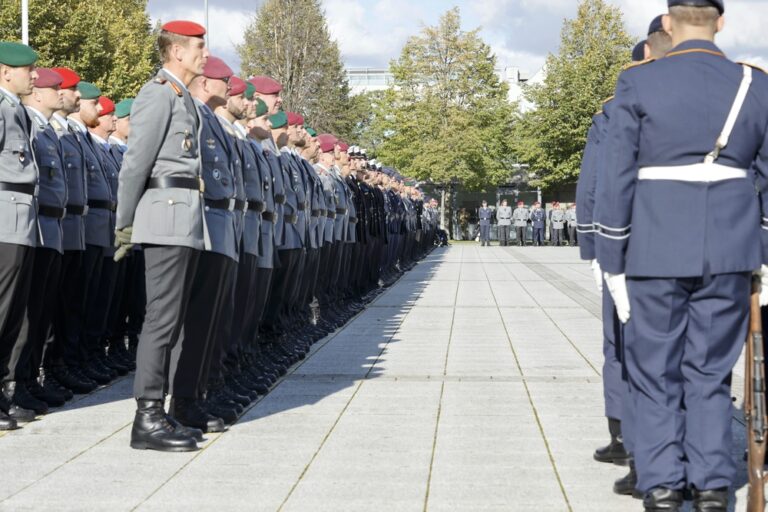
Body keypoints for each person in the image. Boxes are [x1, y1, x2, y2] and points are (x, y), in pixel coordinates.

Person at [594, 1, 768, 510]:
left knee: (655, 373)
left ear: (668, 24)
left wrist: (611, 256)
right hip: (730, 250)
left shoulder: (639, 82)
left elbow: (617, 176)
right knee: (710, 373)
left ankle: (663, 484)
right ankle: (712, 485)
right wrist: (760, 248)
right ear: (720, 22)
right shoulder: (753, 85)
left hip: (655, 247)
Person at [115, 20, 210, 452]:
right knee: (160, 319)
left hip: (184, 217)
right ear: (176, 52)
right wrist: (124, 223)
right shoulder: (157, 93)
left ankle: (163, 411)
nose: (204, 55)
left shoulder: (182, 96)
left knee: (175, 320)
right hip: (165, 215)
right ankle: (147, 416)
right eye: (198, 48)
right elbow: (136, 163)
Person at [0, 42, 39, 430]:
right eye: (28, 69)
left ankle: (4, 393)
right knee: (2, 308)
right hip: (3, 218)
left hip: (21, 219)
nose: (34, 75)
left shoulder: (18, 111)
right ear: (5, 71)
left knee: (14, 312)